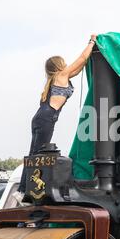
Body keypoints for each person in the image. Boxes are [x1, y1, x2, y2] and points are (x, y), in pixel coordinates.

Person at [17, 34, 97, 194]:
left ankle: (23, 188)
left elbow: (79, 66)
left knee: (34, 153)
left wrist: (91, 52)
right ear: (60, 66)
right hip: (47, 118)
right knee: (37, 155)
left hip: (41, 117)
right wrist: (92, 42)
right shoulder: (61, 76)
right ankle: (25, 190)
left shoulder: (56, 79)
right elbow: (81, 59)